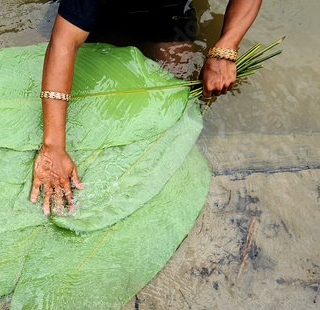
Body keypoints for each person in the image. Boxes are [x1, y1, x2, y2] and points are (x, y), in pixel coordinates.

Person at [30, 0, 262, 215]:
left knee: (170, 102)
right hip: (99, 11)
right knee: (38, 62)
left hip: (170, 16)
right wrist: (53, 146)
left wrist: (225, 49)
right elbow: (64, 43)